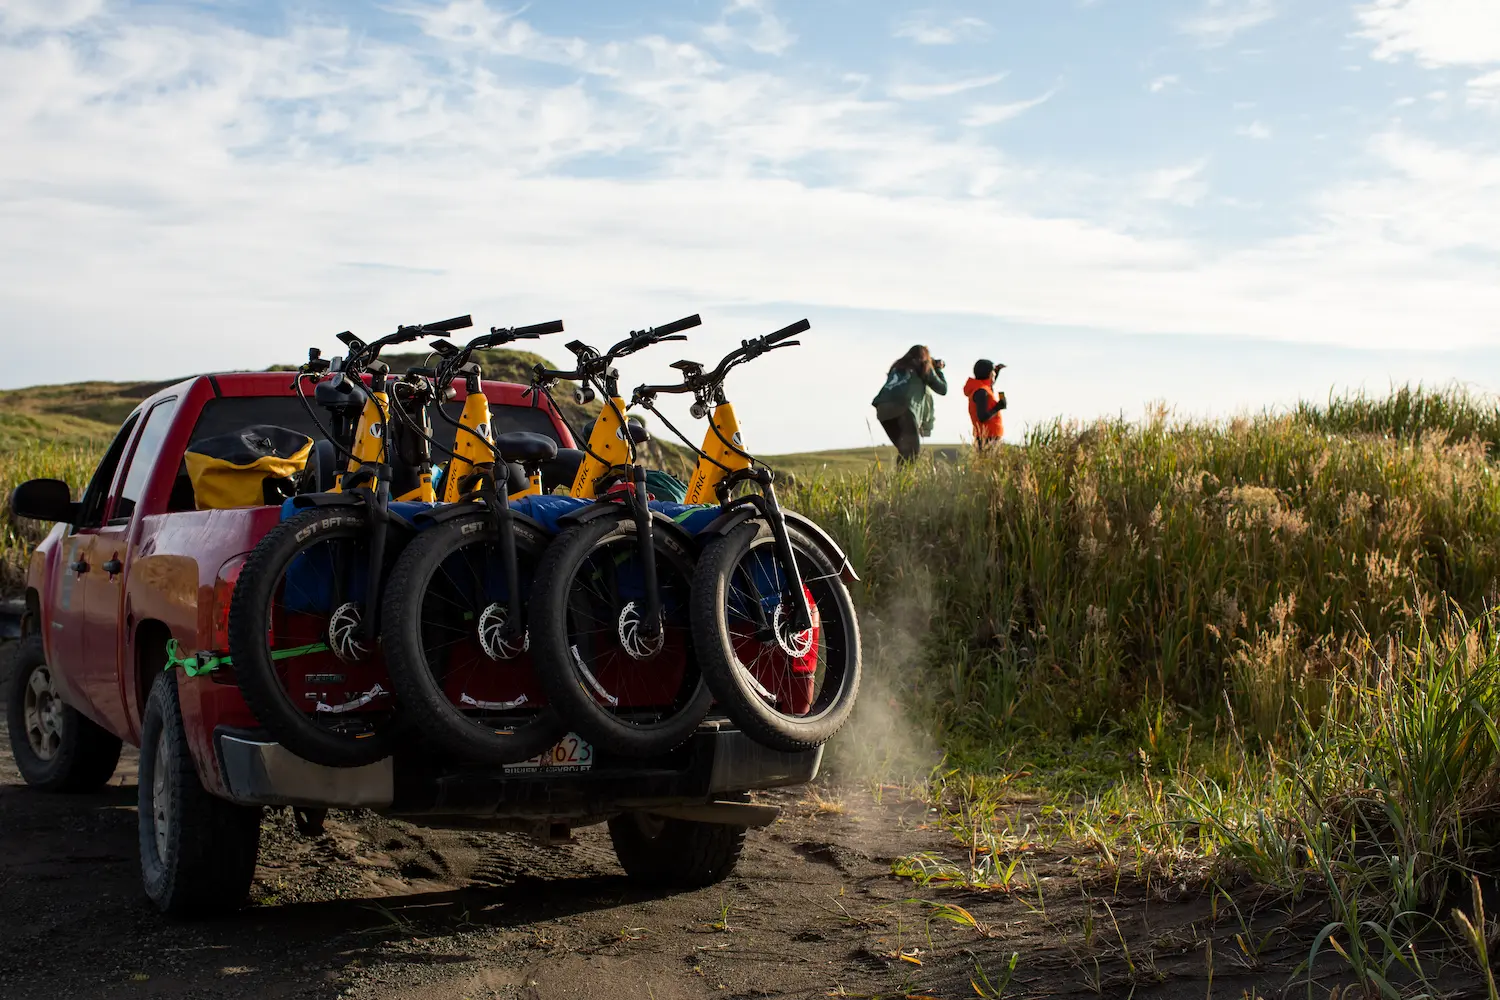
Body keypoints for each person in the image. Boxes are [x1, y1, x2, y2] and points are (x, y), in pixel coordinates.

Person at [872, 345, 947, 464]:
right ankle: (903, 476)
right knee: (912, 451)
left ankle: (901, 476)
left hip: (882, 408)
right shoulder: (923, 365)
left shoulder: (897, 367)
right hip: (903, 407)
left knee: (905, 451)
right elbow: (943, 389)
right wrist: (937, 369)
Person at [964, 359, 1007, 449]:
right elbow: (982, 416)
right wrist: (998, 407)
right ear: (989, 374)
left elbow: (989, 383)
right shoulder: (981, 392)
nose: (994, 374)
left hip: (987, 436)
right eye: (993, 371)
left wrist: (997, 370)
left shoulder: (981, 388)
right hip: (988, 438)